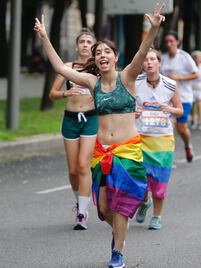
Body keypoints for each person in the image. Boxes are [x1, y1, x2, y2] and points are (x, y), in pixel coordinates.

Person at [34, 4, 165, 268]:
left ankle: (118, 251)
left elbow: (141, 51)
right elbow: (60, 67)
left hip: (127, 151)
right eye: (98, 52)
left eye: (107, 51)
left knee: (120, 206)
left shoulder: (127, 77)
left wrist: (153, 28)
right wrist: (45, 37)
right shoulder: (92, 83)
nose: (102, 55)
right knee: (104, 210)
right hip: (102, 151)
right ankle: (121, 230)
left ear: (115, 57)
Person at [49, 28, 97, 230]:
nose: (85, 45)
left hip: (90, 118)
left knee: (83, 165)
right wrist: (65, 93)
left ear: (94, 47)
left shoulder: (97, 68)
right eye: (82, 41)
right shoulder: (68, 67)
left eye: (89, 42)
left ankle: (82, 213)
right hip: (70, 119)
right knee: (73, 170)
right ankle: (80, 200)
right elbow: (52, 93)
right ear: (77, 46)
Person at [134, 49, 183, 230]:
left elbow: (180, 110)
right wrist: (134, 110)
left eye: (152, 59)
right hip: (140, 137)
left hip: (162, 140)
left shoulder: (170, 85)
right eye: (145, 60)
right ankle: (144, 201)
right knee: (140, 179)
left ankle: (157, 216)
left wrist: (169, 109)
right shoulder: (136, 82)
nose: (148, 63)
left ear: (159, 63)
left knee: (160, 182)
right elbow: (128, 104)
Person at [160, 31, 198, 162]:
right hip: (167, 99)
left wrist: (179, 78)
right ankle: (168, 157)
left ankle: (188, 145)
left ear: (177, 42)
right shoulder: (163, 58)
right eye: (167, 42)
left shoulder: (184, 57)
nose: (169, 44)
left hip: (184, 98)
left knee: (182, 129)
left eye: (172, 41)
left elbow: (195, 74)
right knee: (167, 126)